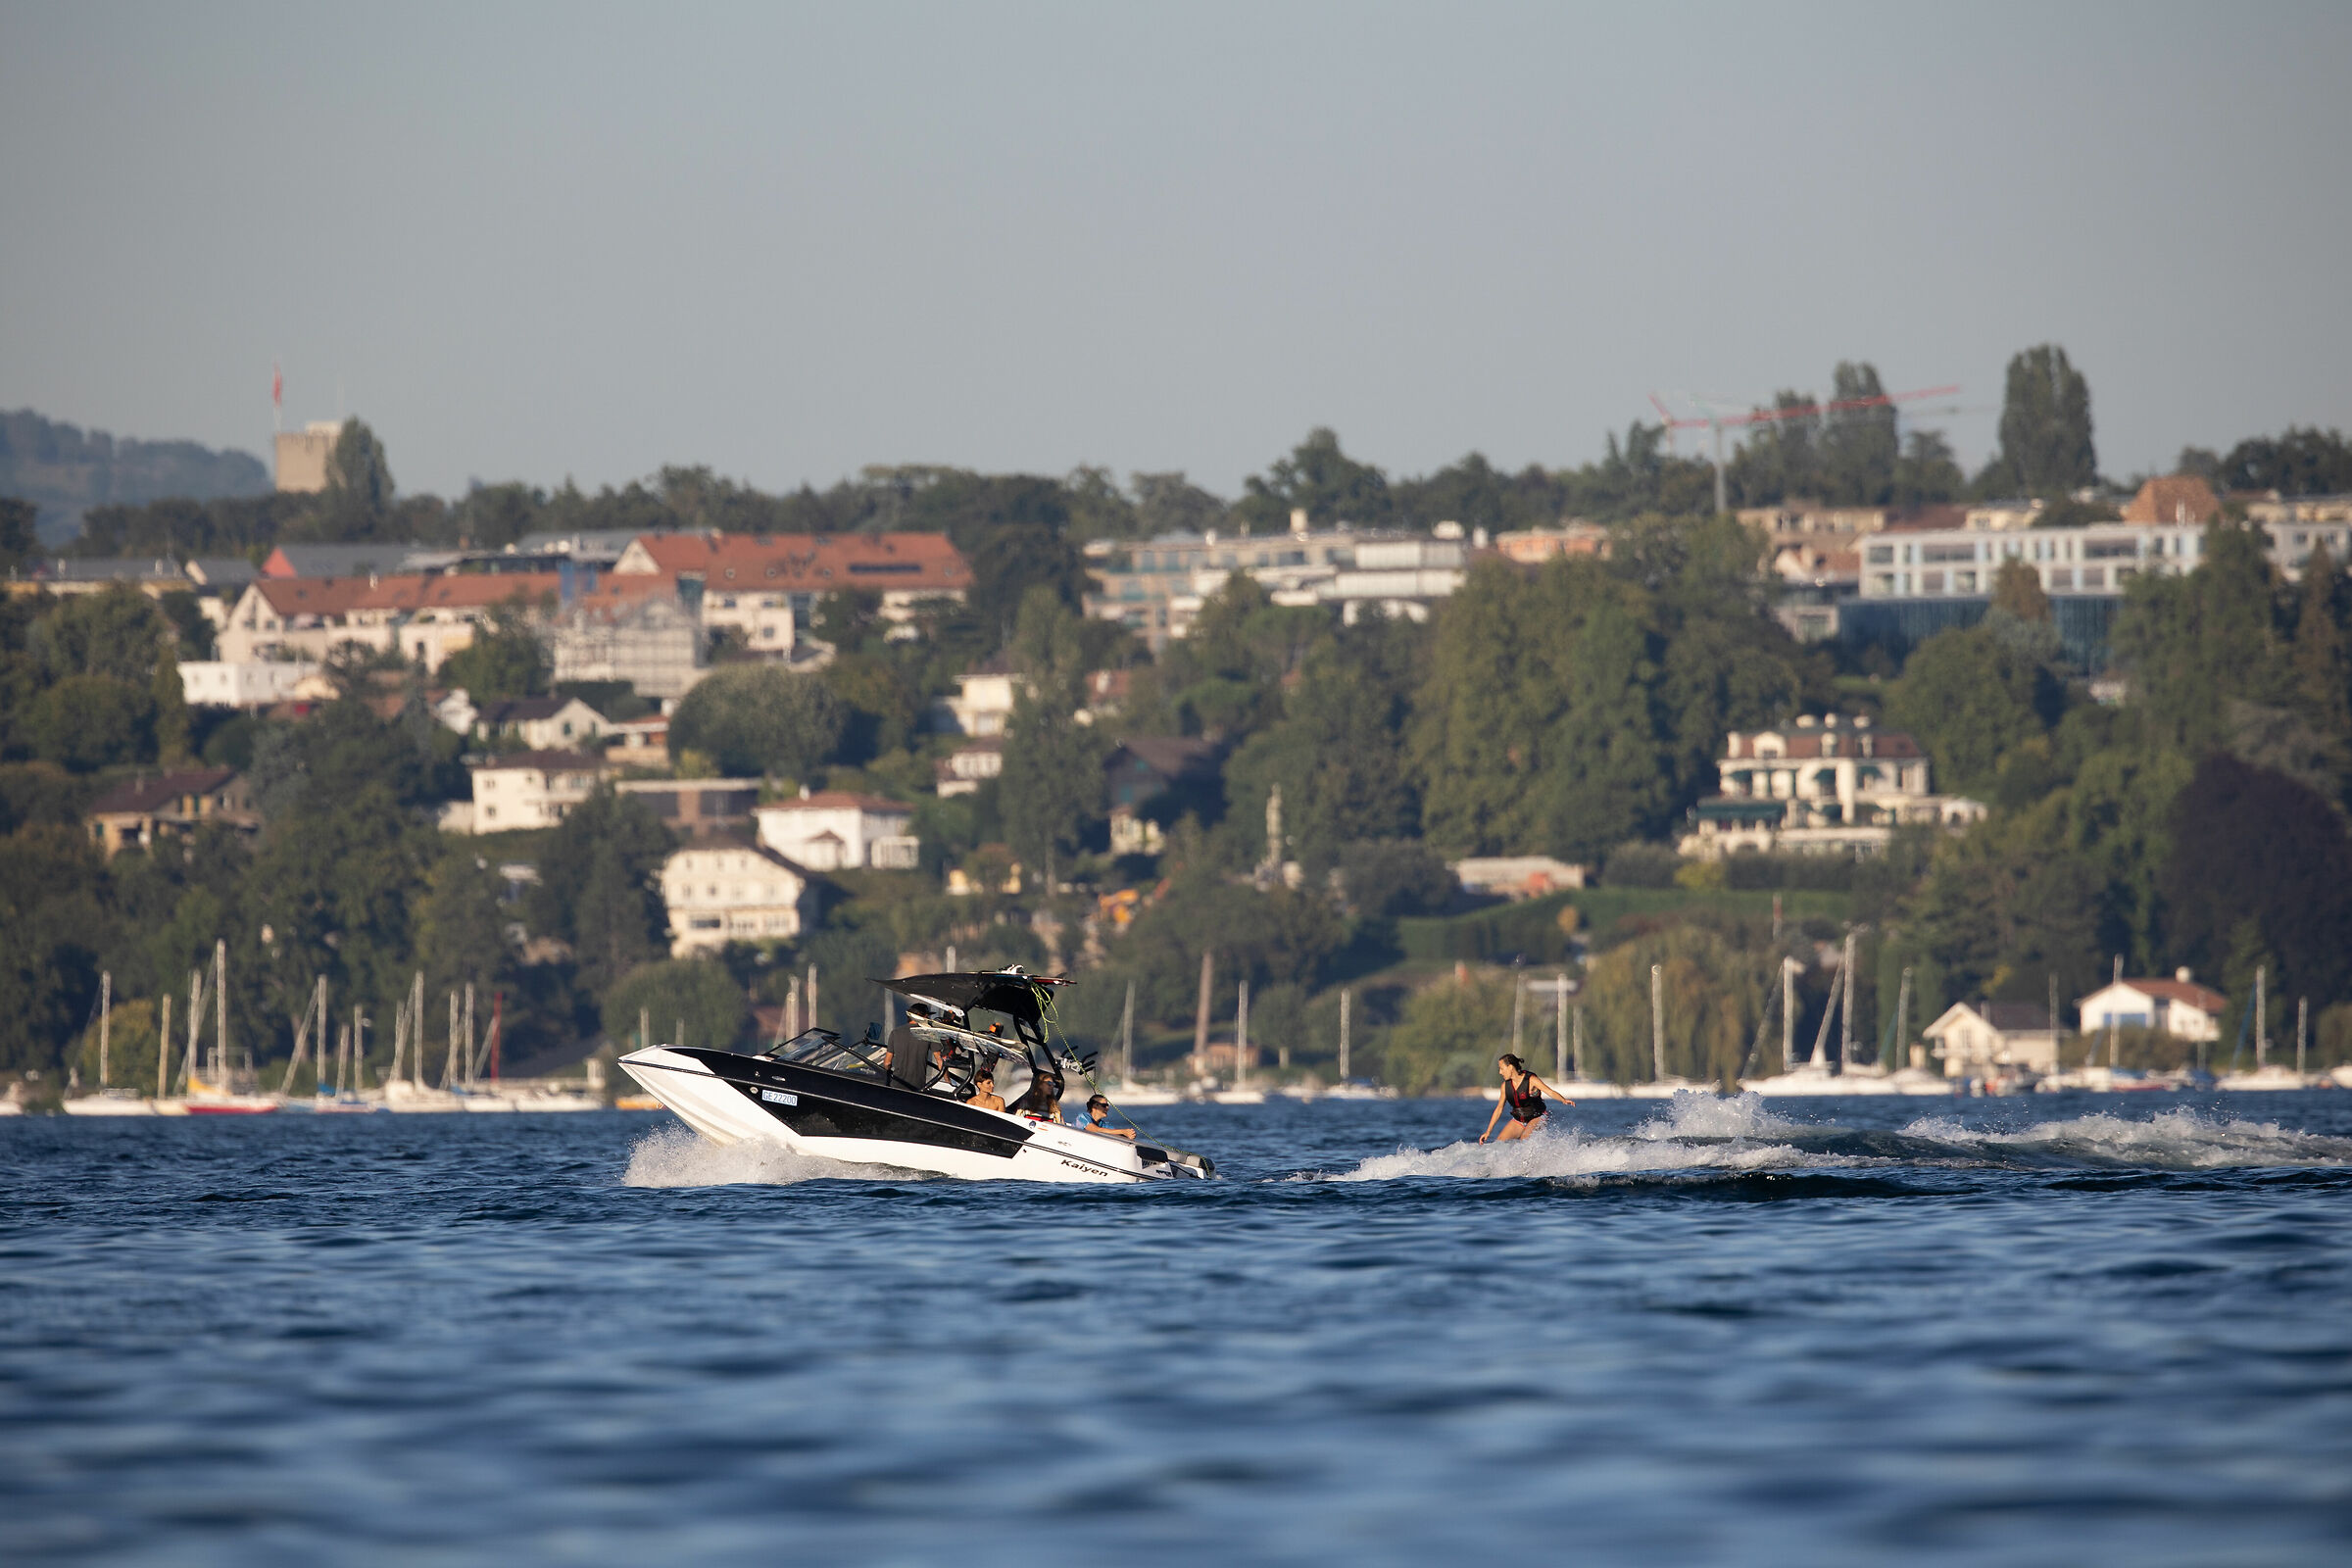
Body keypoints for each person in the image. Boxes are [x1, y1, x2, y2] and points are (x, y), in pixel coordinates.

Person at [1479, 1053, 1575, 1144]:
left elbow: (1549, 1091)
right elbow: (1499, 1109)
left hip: (1538, 1116)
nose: (1500, 1072)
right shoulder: (1505, 1086)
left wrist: (1563, 1099)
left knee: (1524, 1140)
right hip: (1519, 1120)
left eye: (1502, 1068)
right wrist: (1488, 1131)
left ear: (1510, 1067)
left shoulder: (1531, 1080)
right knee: (1499, 1143)